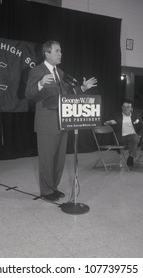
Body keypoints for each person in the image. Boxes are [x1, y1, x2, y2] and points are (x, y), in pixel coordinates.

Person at [25, 40, 97, 201]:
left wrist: (83, 88)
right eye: (57, 51)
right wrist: (40, 83)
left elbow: (68, 95)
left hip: (63, 121)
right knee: (47, 158)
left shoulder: (61, 73)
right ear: (47, 53)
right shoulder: (37, 71)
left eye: (61, 51)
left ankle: (53, 187)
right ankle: (46, 191)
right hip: (46, 123)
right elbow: (28, 94)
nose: (61, 54)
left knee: (59, 159)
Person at [105, 99, 143, 168]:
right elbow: (104, 122)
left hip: (135, 138)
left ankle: (131, 157)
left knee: (138, 138)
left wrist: (139, 135)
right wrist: (109, 122)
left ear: (131, 108)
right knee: (134, 137)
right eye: (124, 106)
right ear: (121, 107)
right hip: (122, 139)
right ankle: (131, 157)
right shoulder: (116, 115)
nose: (126, 108)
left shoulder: (137, 116)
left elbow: (142, 129)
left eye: (128, 107)